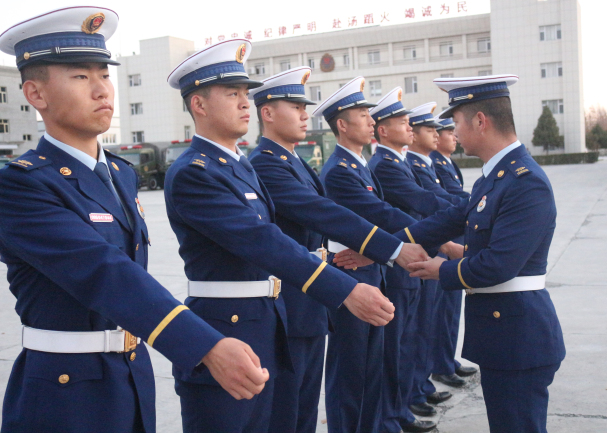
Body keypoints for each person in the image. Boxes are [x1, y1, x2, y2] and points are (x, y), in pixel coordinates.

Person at [0, 7, 265, 433]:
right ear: (36, 94)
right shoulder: (21, 184)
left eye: (104, 75)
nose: (102, 89)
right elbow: (104, 271)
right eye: (80, 76)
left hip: (130, 374)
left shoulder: (120, 173)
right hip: (65, 390)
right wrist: (204, 345)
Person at [164, 42, 396, 433]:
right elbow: (262, 239)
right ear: (199, 105)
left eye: (245, 93)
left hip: (270, 319)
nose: (245, 103)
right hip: (228, 326)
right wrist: (345, 290)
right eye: (232, 94)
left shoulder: (239, 166)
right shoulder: (195, 172)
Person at [247, 67, 427, 433]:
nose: (304, 115)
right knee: (294, 411)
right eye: (296, 107)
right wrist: (393, 249)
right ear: (267, 113)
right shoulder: (265, 163)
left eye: (304, 107)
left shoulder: (294, 161)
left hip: (312, 300)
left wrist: (372, 252)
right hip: (293, 301)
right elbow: (323, 213)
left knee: (315, 404)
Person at [400, 75, 566, 433]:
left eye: (457, 122)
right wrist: (386, 248)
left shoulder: (525, 182)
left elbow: (498, 265)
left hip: (519, 337)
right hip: (501, 334)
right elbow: (449, 220)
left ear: (480, 121)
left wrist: (440, 269)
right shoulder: (496, 176)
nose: (452, 132)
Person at [315, 78, 442, 433]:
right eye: (362, 115)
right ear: (342, 125)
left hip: (370, 268)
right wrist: (438, 239)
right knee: (351, 372)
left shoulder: (358, 164)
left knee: (372, 368)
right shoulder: (339, 170)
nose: (371, 121)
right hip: (349, 274)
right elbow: (382, 214)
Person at [368, 90, 459, 433]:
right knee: (401, 342)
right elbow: (420, 202)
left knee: (416, 333)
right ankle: (402, 406)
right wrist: (475, 211)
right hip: (400, 262)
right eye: (403, 123)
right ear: (384, 131)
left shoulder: (399, 162)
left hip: (416, 255)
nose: (410, 128)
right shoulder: (384, 165)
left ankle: (411, 396)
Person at [404, 102, 465, 411]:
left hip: (435, 246)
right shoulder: (408, 164)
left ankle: (429, 376)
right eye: (431, 130)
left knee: (436, 318)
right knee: (419, 325)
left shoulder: (427, 163)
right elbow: (430, 201)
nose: (441, 135)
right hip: (421, 250)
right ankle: (416, 388)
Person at [427, 114, 478, 389]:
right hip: (443, 242)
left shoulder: (447, 162)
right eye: (448, 132)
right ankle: (441, 364)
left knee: (451, 309)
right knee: (442, 311)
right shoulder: (435, 163)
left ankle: (447, 359)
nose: (452, 136)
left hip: (454, 241)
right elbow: (449, 198)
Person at [430, 116, 470, 199]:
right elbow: (455, 193)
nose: (455, 138)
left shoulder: (446, 161)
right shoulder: (437, 164)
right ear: (437, 137)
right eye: (450, 134)